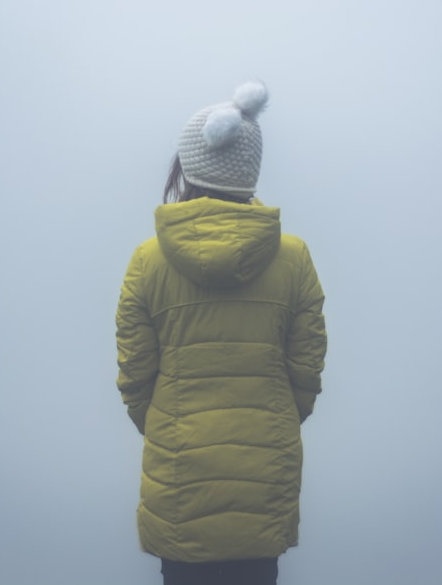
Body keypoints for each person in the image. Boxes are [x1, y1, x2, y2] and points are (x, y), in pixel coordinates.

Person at [115, 80, 328, 585]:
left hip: (178, 469)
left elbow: (134, 376)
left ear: (187, 168)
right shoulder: (293, 258)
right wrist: (273, 421)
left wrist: (169, 427)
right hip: (264, 471)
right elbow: (307, 369)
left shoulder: (147, 262)